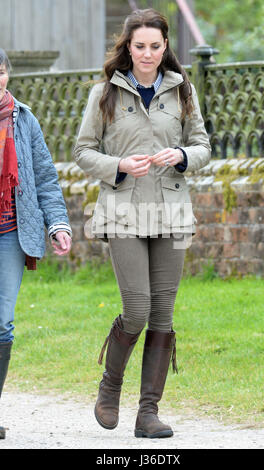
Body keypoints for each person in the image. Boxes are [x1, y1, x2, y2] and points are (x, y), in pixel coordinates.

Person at [75, 8, 211, 439]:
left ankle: (148, 413)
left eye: (155, 46)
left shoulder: (182, 90)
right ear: (127, 47)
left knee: (163, 316)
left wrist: (184, 156)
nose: (148, 54)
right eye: (140, 47)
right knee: (137, 308)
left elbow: (203, 144)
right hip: (123, 212)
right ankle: (109, 386)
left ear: (165, 46)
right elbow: (82, 151)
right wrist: (118, 164)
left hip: (171, 213)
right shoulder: (104, 94)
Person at [0, 49, 72, 440]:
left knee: (2, 322)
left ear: (7, 74)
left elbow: (45, 177)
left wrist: (57, 223)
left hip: (11, 232)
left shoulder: (23, 119)